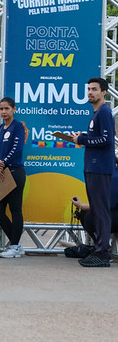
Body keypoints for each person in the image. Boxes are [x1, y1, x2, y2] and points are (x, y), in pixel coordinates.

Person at [69, 78, 116, 268]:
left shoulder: (104, 112)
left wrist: (82, 140)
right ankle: (98, 249)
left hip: (100, 168)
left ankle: (103, 253)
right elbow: (97, 138)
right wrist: (81, 137)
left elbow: (106, 140)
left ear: (104, 92)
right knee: (97, 210)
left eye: (94, 89)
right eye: (88, 89)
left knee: (102, 211)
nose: (90, 92)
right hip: (92, 167)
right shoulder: (96, 113)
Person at [0, 97, 27, 258]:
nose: (4, 112)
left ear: (14, 109)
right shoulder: (1, 127)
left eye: (7, 108)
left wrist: (4, 162)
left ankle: (14, 245)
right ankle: (16, 242)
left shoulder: (18, 126)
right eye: (1, 109)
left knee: (15, 209)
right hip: (2, 173)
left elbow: (17, 148)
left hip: (15, 171)